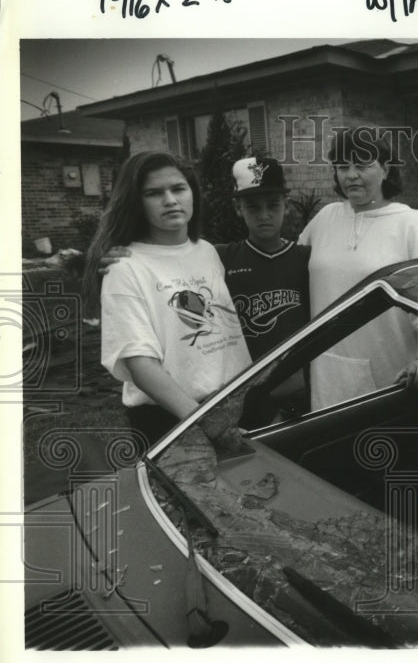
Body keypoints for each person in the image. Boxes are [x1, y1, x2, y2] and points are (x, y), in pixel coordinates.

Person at [83, 151, 251, 447]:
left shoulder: (207, 251)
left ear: (192, 193)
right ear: (136, 202)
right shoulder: (125, 267)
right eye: (154, 193)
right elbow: (140, 363)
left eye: (178, 188)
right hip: (174, 417)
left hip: (231, 404)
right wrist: (204, 422)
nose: (171, 200)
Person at [298, 128, 418, 408]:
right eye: (343, 166)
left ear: (385, 168)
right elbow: (290, 272)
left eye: (362, 165)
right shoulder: (324, 219)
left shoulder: (412, 226)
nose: (351, 174)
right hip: (327, 375)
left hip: (390, 376)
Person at [217, 156, 310, 361]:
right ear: (238, 208)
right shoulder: (221, 257)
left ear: (286, 206)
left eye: (273, 205)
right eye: (253, 207)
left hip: (297, 381)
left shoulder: (306, 259)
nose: (264, 215)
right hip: (242, 380)